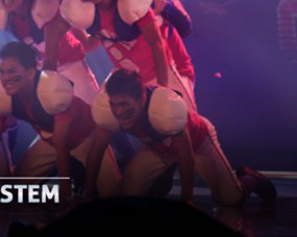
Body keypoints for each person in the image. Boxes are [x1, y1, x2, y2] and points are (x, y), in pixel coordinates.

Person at [86, 69, 277, 205]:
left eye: (124, 105)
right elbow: (96, 151)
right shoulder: (108, 111)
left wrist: (187, 201)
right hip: (158, 148)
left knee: (231, 199)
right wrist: (87, 194)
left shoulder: (164, 109)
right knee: (125, 196)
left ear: (142, 98)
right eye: (114, 104)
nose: (119, 111)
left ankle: (251, 178)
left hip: (197, 143)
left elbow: (186, 157)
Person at [0, 42, 119, 202]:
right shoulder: (1, 95)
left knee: (114, 196)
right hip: (51, 139)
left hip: (85, 137)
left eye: (12, 71)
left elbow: (62, 146)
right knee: (15, 190)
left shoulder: (51, 90)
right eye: (2, 72)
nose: (5, 78)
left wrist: (65, 197)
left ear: (30, 73)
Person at [59, 0, 197, 108]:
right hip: (135, 82)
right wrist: (71, 15)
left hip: (168, 73)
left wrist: (162, 88)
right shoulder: (101, 15)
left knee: (173, 116)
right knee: (101, 112)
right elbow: (87, 45)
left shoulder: (144, 9)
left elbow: (160, 42)